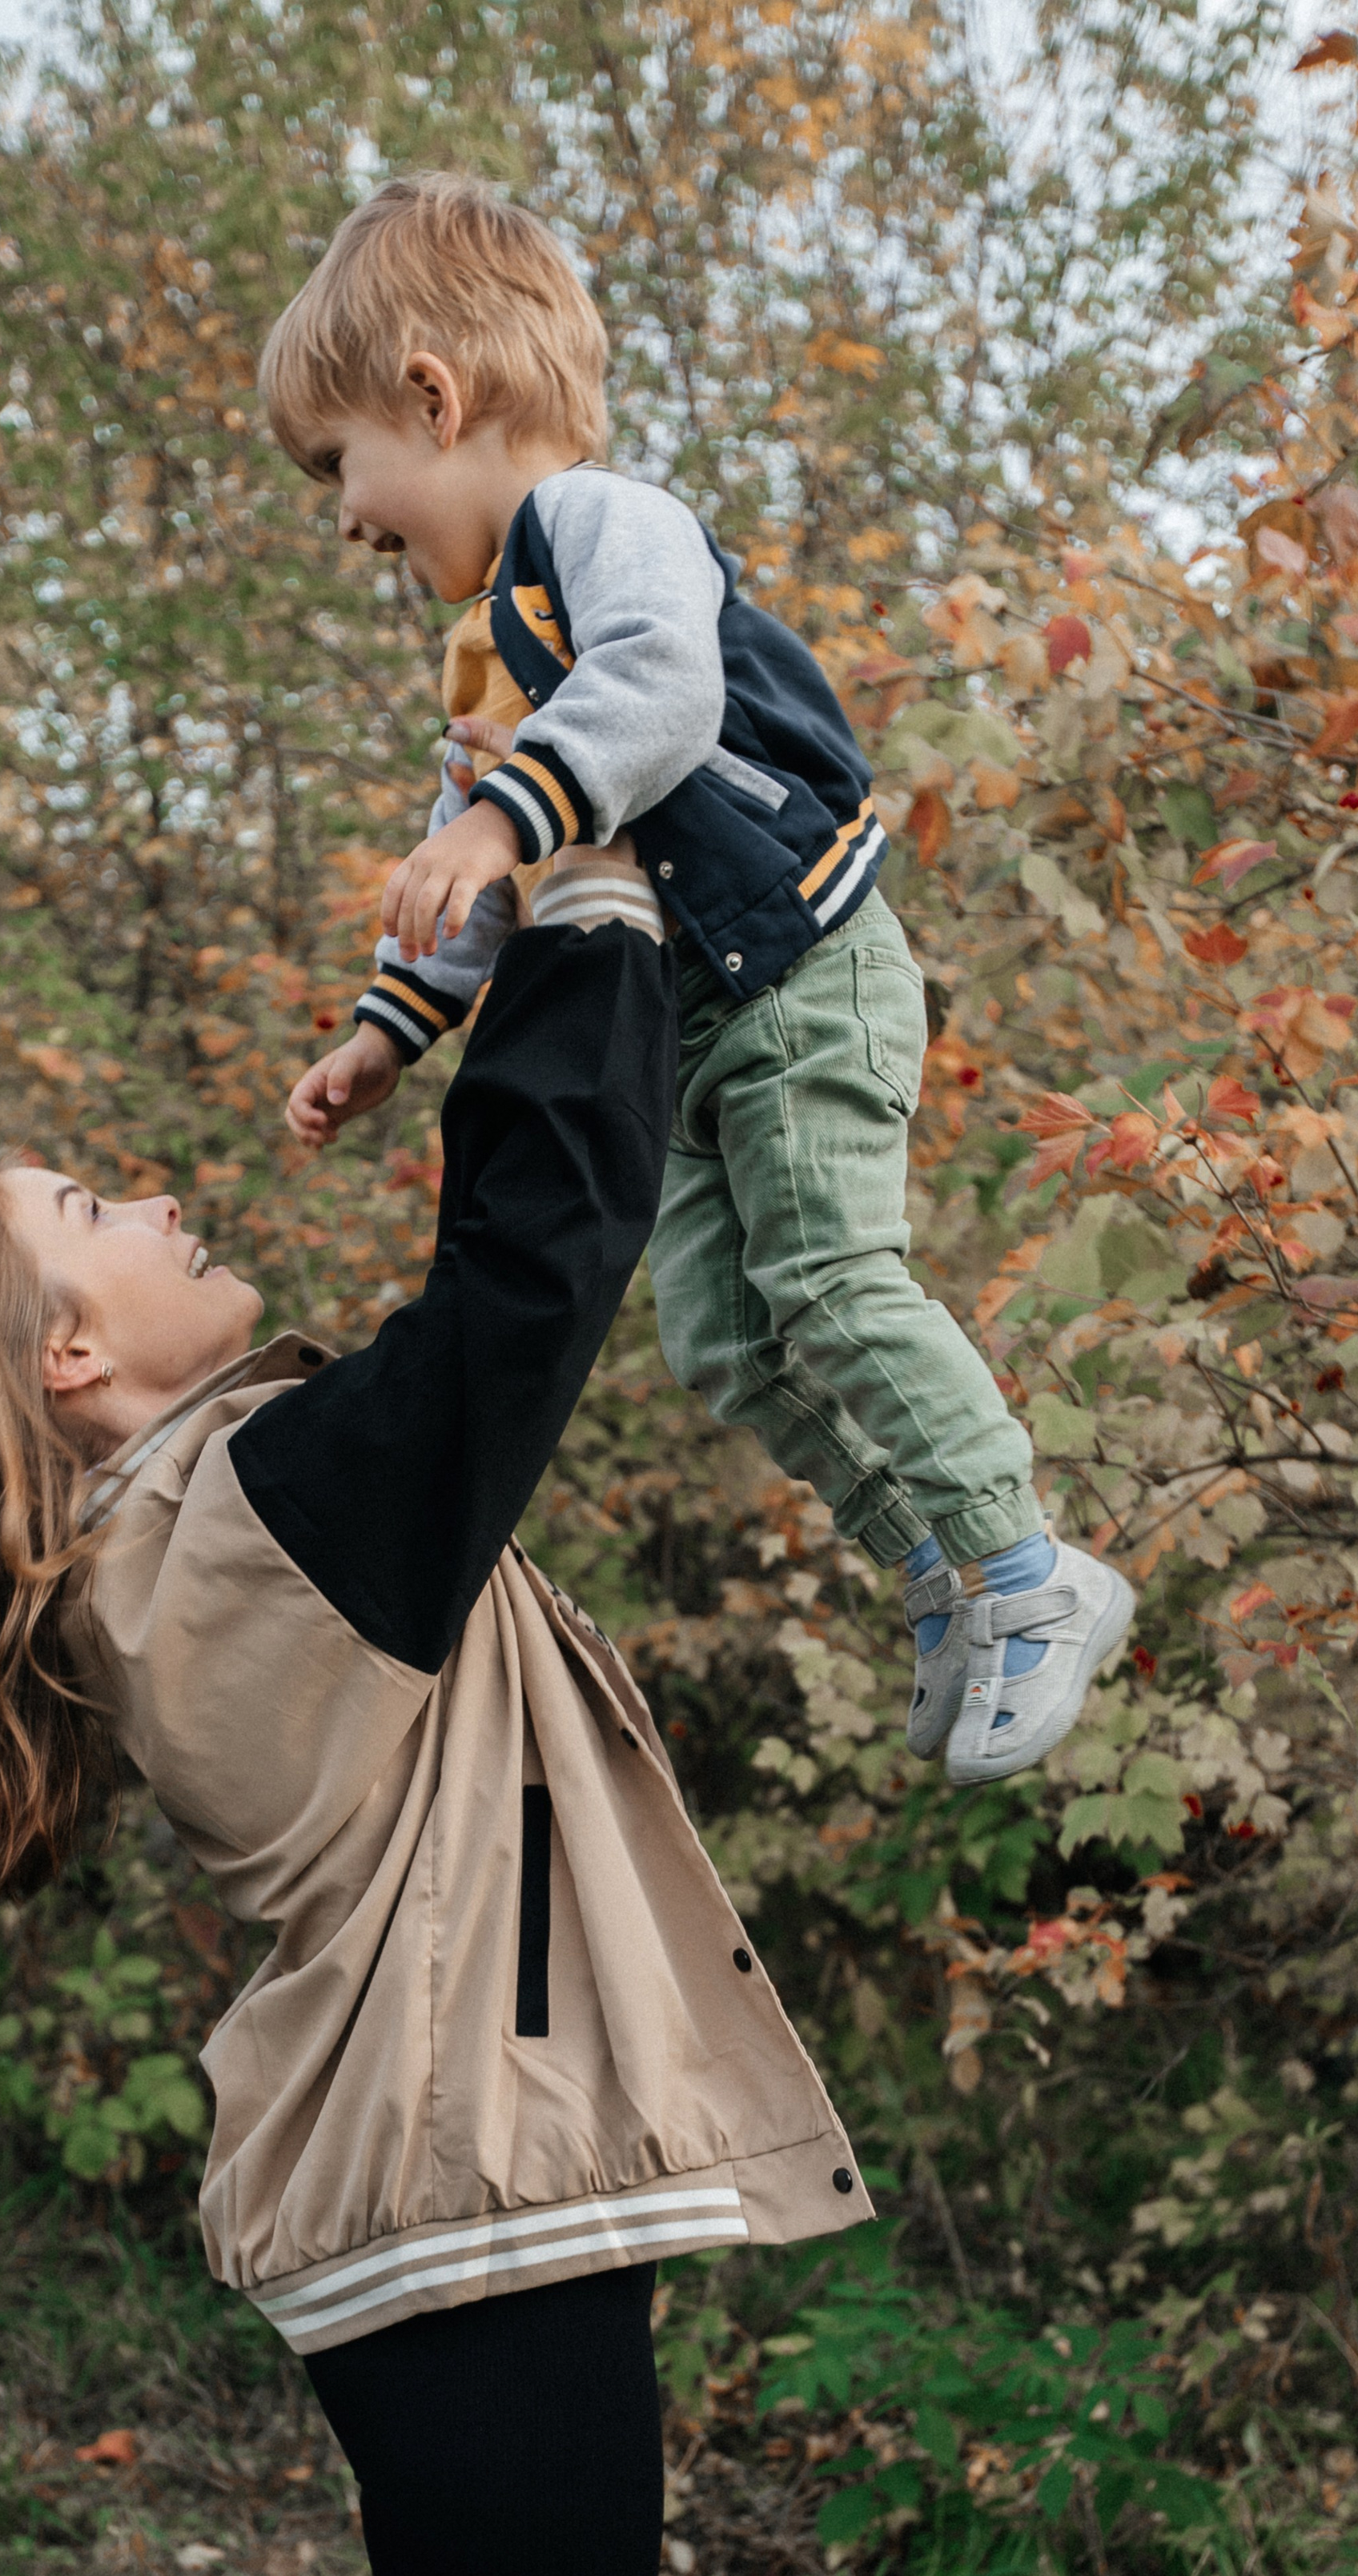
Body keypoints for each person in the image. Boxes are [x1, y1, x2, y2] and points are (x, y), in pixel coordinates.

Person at [0, 907, 873, 2576]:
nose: (157, 1203)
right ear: (67, 1357)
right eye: (95, 1213)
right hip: (462, 2232)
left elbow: (512, 1278)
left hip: (445, 2227)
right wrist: (587, 890)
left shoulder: (186, 1542)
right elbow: (531, 1260)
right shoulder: (251, 1526)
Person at [267, 175, 1135, 1783]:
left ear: (431, 397)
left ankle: (1029, 1570)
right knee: (719, 1339)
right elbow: (477, 849)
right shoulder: (478, 647)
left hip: (805, 972)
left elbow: (657, 696)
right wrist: (396, 1023)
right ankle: (931, 1565)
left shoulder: (606, 524)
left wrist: (517, 802)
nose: (342, 516)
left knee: (824, 1274)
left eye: (340, 465)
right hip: (689, 1022)